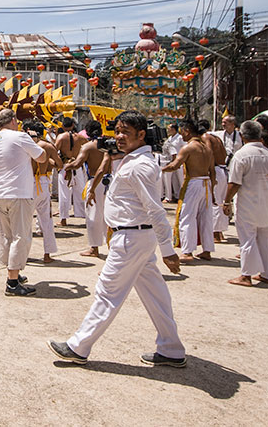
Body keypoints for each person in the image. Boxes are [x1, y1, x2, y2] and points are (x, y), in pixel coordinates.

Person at [48, 110, 185, 367]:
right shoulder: (132, 160)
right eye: (118, 131)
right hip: (134, 236)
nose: (119, 137)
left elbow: (155, 209)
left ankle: (79, 346)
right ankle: (172, 348)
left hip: (131, 237)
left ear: (141, 135)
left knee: (107, 292)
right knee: (155, 295)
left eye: (126, 132)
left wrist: (167, 249)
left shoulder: (140, 166)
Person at [0, 109, 47, 296]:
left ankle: (12, 272)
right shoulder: (20, 137)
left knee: (7, 235)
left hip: (1, 193)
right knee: (21, 236)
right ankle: (12, 282)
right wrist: (35, 141)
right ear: (14, 120)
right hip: (19, 193)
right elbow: (41, 157)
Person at [223, 121, 268, 286]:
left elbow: (234, 182)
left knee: (247, 237)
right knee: (267, 238)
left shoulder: (241, 155)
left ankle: (246, 275)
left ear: (242, 136)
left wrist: (226, 201)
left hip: (248, 203)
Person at [163, 120, 216, 262]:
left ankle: (187, 252)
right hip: (206, 183)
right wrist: (213, 190)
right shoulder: (207, 148)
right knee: (206, 218)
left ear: (186, 131)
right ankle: (207, 250)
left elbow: (175, 165)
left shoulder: (188, 148)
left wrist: (160, 169)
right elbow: (212, 172)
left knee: (187, 217)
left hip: (193, 183)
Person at [63, 120, 107, 258]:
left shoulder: (88, 147)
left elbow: (77, 164)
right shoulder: (109, 145)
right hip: (110, 182)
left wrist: (66, 166)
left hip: (95, 182)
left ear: (87, 132)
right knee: (109, 216)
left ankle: (94, 248)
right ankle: (112, 246)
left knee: (93, 216)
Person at [25, 119, 63, 263]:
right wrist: (49, 164)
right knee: (46, 221)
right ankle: (47, 255)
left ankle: (23, 254)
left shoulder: (27, 146)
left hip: (29, 184)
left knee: (26, 221)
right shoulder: (48, 146)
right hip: (43, 182)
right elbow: (59, 164)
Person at [199, 119, 230, 242]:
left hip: (216, 170)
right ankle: (219, 232)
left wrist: (209, 171)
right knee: (220, 200)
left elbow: (209, 153)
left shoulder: (205, 137)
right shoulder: (216, 138)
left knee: (215, 201)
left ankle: (216, 233)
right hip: (222, 170)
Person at [54, 117, 88, 226]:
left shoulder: (61, 137)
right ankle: (84, 215)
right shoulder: (81, 138)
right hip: (77, 166)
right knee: (80, 191)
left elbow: (54, 151)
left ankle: (63, 219)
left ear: (63, 126)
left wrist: (58, 163)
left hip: (65, 166)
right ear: (73, 125)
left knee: (64, 193)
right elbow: (87, 147)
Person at [161, 123, 185, 203]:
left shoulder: (180, 138)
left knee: (181, 179)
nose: (168, 130)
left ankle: (183, 196)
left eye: (169, 128)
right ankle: (171, 196)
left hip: (179, 161)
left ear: (174, 129)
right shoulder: (169, 139)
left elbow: (184, 147)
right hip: (169, 161)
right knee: (172, 180)